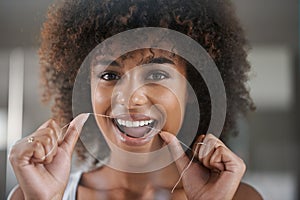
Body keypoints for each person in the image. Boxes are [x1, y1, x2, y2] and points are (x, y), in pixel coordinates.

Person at [8, 0, 263, 199]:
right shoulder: (32, 195)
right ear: (88, 90)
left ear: (193, 90)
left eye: (156, 74)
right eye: (109, 74)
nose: (130, 98)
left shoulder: (237, 197)